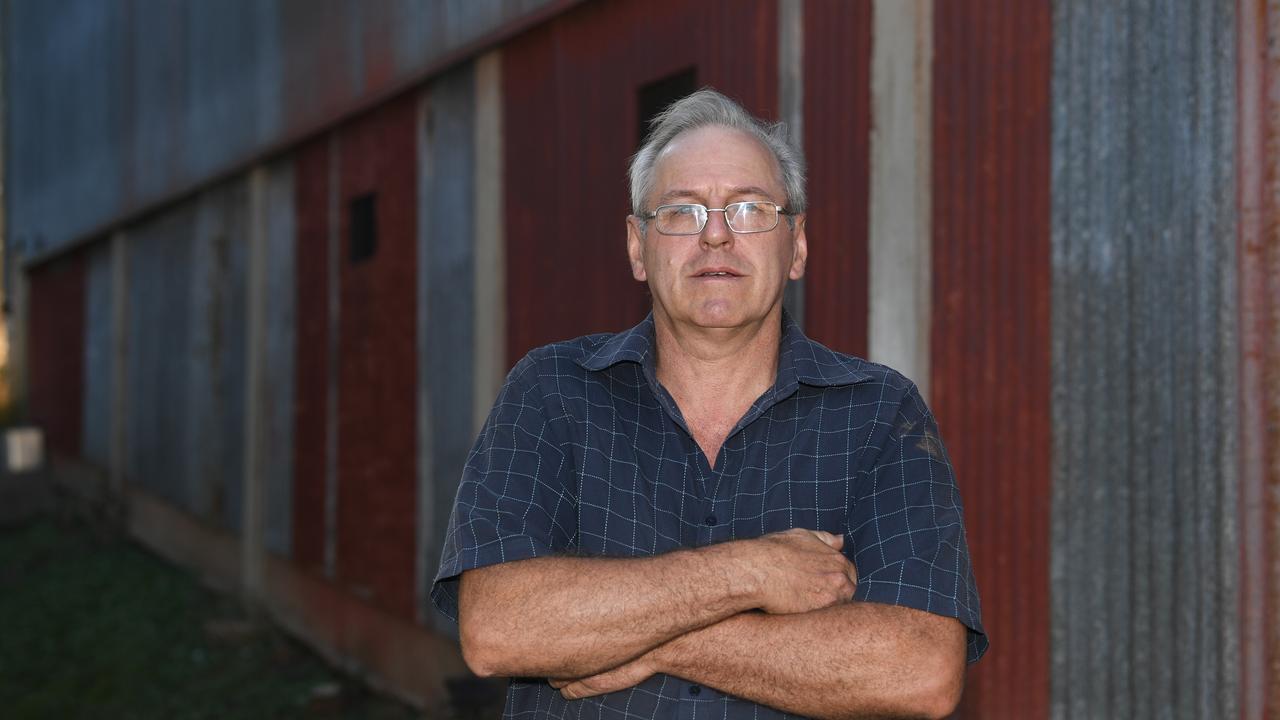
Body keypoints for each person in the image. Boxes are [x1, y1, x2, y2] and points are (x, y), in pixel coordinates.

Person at [431, 88, 986, 720]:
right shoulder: (552, 390)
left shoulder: (880, 414)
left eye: (749, 209)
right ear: (638, 247)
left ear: (797, 245)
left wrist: (644, 642)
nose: (716, 235)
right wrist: (750, 572)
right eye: (681, 212)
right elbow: (499, 629)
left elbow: (920, 670)